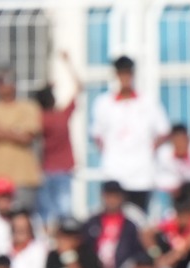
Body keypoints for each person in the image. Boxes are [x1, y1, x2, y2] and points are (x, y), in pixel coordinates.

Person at [94, 56, 168, 214]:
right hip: (114, 171)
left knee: (138, 218)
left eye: (128, 73)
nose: (125, 78)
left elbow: (163, 131)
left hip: (141, 174)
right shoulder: (104, 103)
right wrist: (111, 152)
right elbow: (97, 134)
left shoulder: (148, 101)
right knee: (113, 217)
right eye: (121, 73)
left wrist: (148, 150)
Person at [0, 66, 43, 211]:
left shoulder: (28, 108)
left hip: (22, 178)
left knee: (22, 218)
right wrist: (14, 131)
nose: (4, 86)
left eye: (8, 81)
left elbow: (27, 138)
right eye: (0, 82)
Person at [32, 53, 82, 227]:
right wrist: (68, 63)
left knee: (45, 214)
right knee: (64, 213)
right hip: (64, 169)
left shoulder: (39, 119)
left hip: (45, 169)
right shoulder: (61, 117)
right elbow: (79, 87)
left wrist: (46, 88)